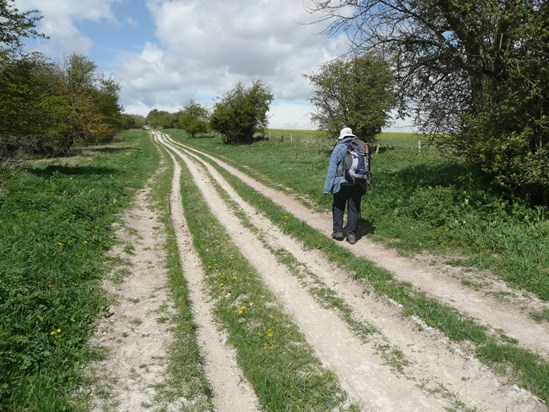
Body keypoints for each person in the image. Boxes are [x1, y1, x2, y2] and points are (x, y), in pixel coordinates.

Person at [323, 127, 367, 245]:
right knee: (354, 208)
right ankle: (351, 234)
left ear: (341, 136)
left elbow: (332, 169)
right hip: (358, 183)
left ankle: (338, 231)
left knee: (338, 206)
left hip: (341, 183)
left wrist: (327, 188)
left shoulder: (339, 147)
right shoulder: (361, 146)